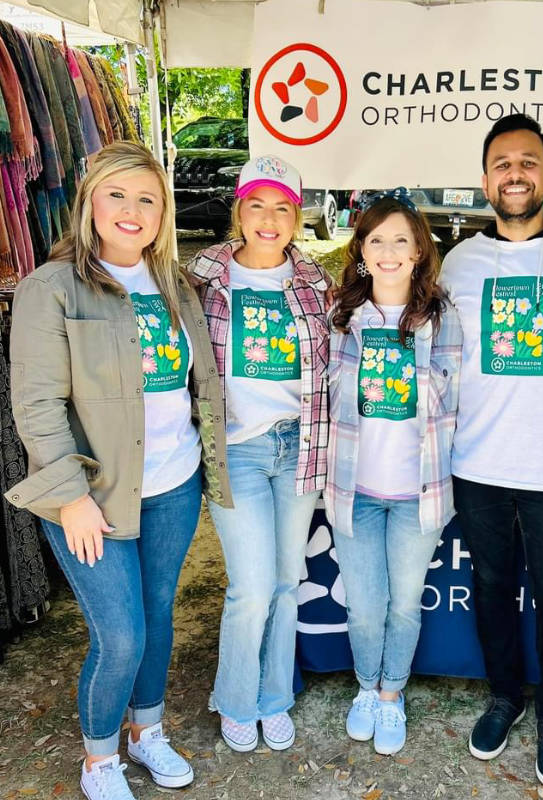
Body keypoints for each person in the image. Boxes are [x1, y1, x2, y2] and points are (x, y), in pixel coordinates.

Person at [5, 141, 232, 800]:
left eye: (147, 199)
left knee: (157, 618)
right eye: (117, 195)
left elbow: (197, 384)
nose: (131, 210)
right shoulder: (51, 288)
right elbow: (37, 405)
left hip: (173, 487)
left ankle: (146, 730)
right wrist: (70, 498)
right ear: (89, 203)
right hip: (93, 498)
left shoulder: (176, 285)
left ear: (163, 213)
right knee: (121, 635)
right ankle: (99, 758)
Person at [439, 113, 543, 787]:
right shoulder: (458, 262)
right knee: (491, 587)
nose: (516, 174)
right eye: (502, 164)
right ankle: (505, 696)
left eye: (528, 162)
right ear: (485, 181)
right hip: (477, 460)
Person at [186, 155, 332, 753]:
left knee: (285, 581)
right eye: (256, 206)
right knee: (250, 586)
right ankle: (236, 699)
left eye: (282, 208)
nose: (268, 220)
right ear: (239, 211)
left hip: (299, 445)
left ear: (296, 216)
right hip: (237, 449)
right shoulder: (202, 277)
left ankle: (274, 698)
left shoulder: (317, 282)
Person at [325, 189, 462, 755]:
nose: (388, 252)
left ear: (418, 252)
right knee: (363, 606)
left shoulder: (442, 318)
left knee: (404, 603)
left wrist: (407, 369)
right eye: (376, 240)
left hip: (417, 492)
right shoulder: (342, 317)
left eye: (400, 241)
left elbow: (454, 398)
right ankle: (365, 687)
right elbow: (325, 396)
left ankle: (390, 695)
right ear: (361, 250)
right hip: (355, 488)